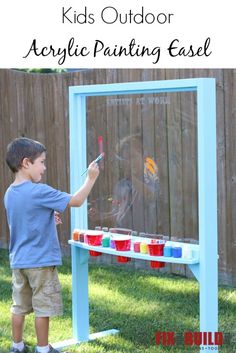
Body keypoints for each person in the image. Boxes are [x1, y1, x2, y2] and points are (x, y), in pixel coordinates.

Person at [3, 137, 100, 353]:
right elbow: (76, 201)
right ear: (26, 163)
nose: (44, 168)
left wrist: (47, 218)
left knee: (18, 306)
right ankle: (43, 349)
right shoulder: (39, 191)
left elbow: (27, 220)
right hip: (41, 263)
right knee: (42, 308)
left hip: (19, 262)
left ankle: (16, 346)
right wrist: (91, 179)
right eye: (42, 162)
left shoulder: (10, 193)